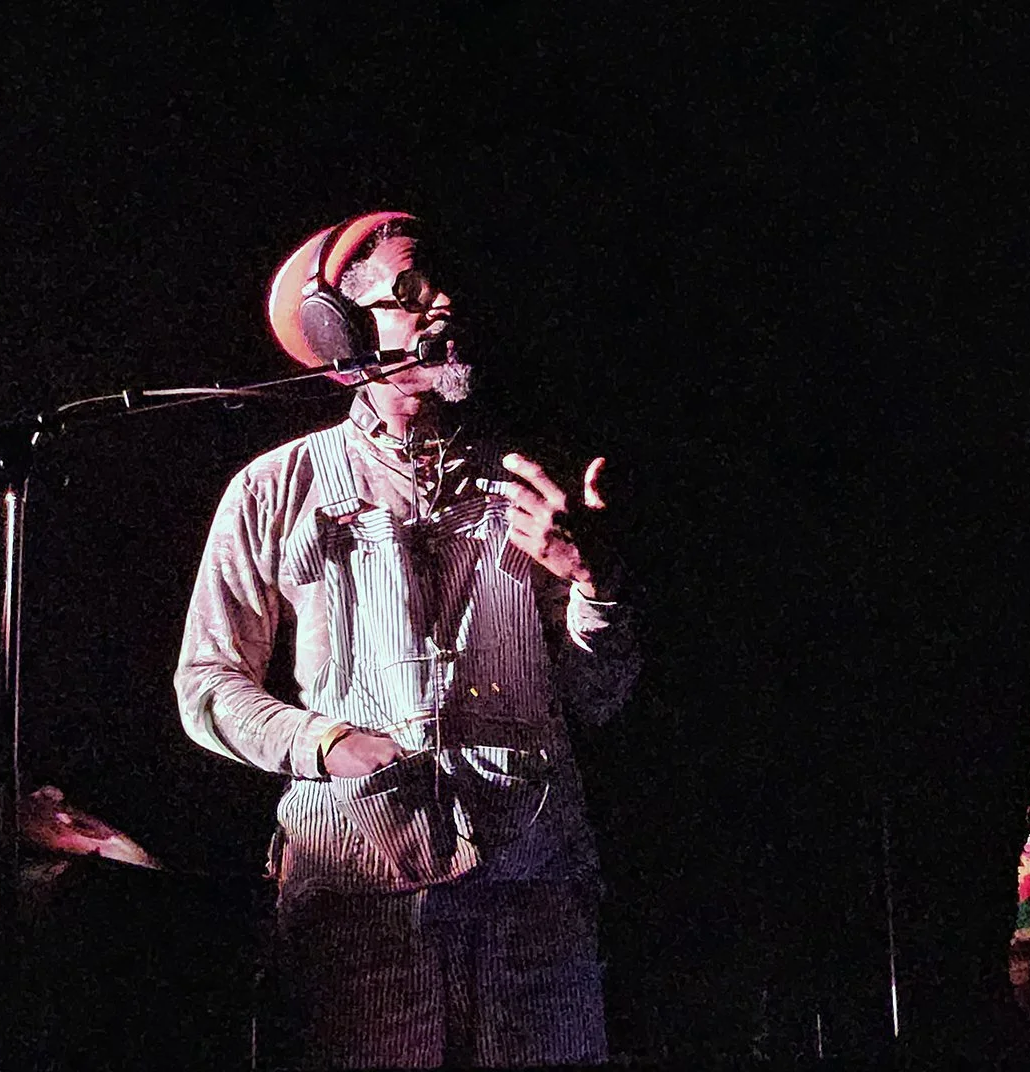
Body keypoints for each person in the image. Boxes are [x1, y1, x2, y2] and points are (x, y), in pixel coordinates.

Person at [175, 211, 640, 1069]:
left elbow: (597, 698)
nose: (444, 305)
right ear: (341, 331)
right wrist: (324, 743)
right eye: (412, 292)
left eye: (445, 287)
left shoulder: (531, 482)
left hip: (531, 900)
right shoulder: (275, 489)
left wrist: (594, 584)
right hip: (362, 899)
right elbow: (206, 684)